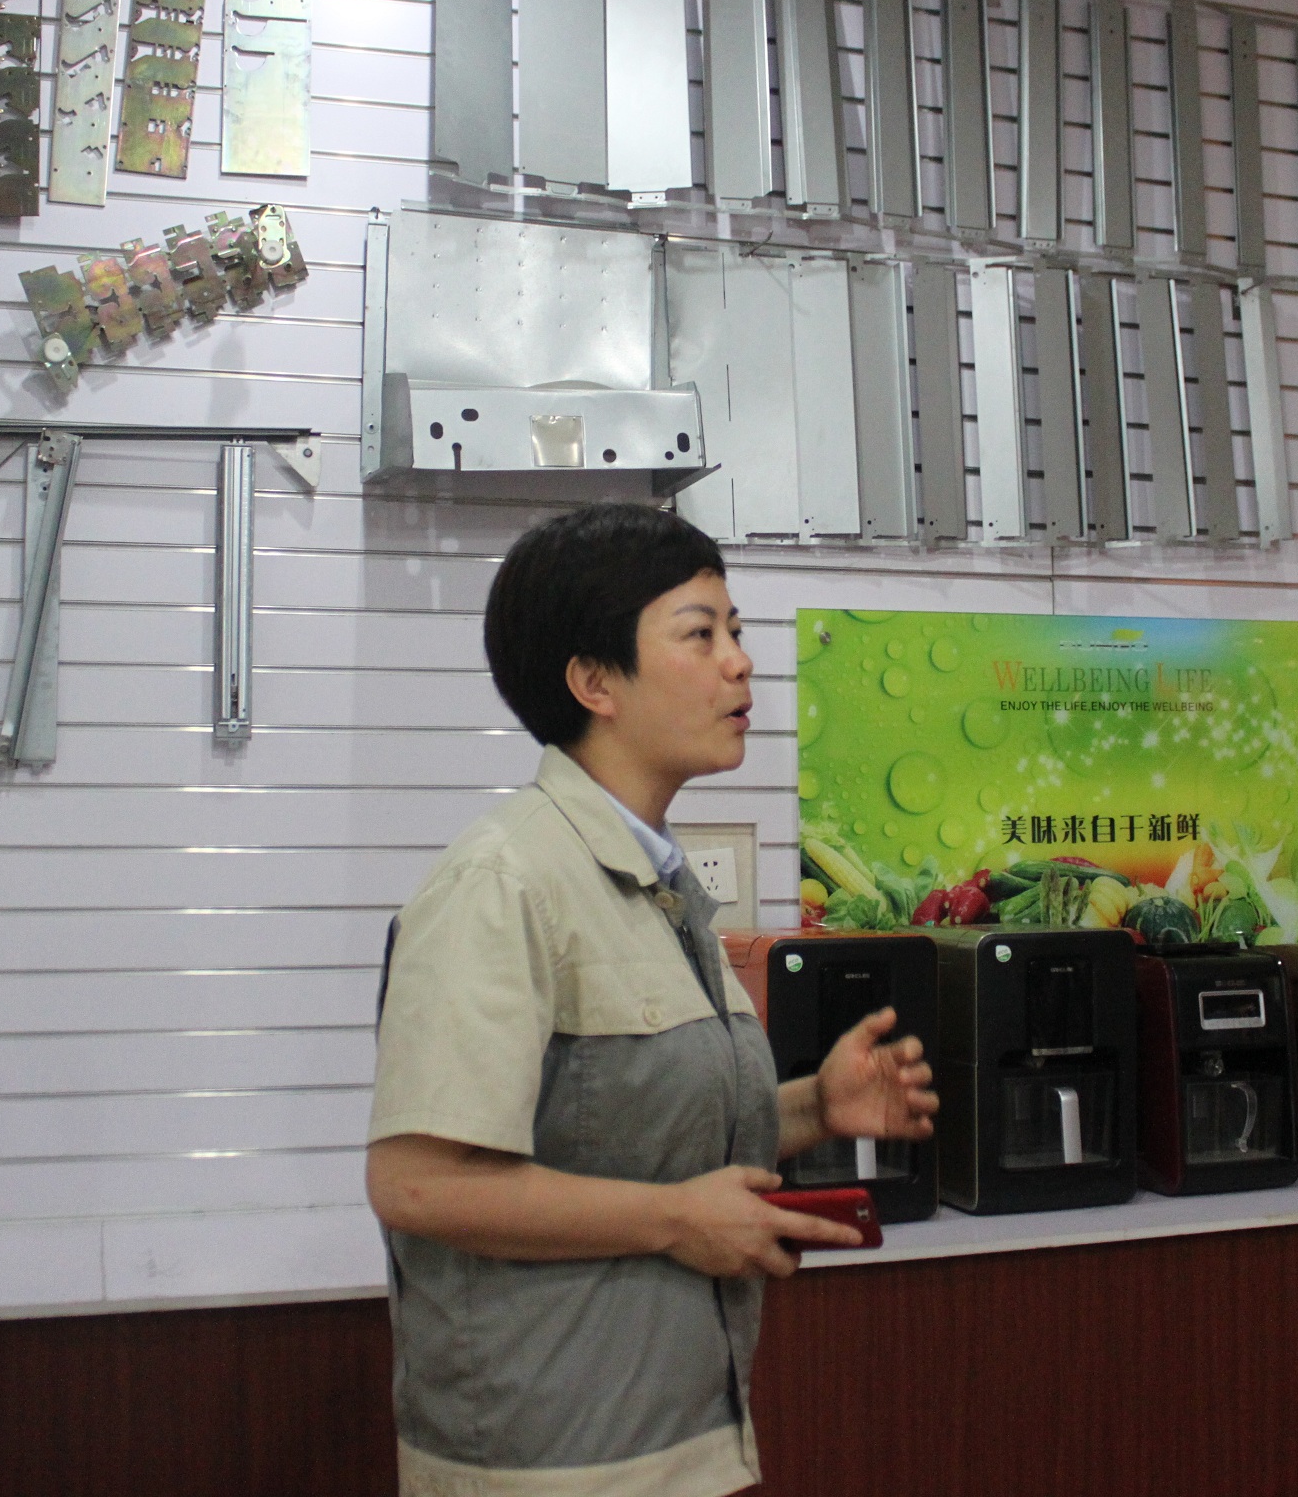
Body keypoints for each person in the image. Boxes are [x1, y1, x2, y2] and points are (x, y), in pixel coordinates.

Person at [366, 503, 938, 1497]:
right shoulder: (502, 883)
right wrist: (674, 1220)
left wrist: (813, 1106)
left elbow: (620, 1130)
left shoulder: (659, 884)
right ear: (595, 683)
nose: (740, 664)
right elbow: (420, 1185)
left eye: (736, 631)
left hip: (676, 1443)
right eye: (700, 634)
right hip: (546, 1464)